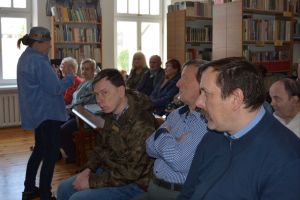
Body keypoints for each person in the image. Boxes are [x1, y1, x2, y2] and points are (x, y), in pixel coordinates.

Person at [177, 57, 300, 200]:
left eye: (206, 93)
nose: (199, 102)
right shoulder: (213, 135)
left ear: (236, 98)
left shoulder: (287, 159)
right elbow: (187, 193)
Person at [57, 68, 156, 200]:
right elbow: (101, 147)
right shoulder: (111, 112)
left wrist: (91, 182)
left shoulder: (142, 122)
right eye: (97, 94)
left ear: (121, 91)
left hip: (134, 183)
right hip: (111, 171)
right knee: (63, 189)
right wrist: (88, 169)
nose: (99, 100)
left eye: (104, 93)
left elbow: (132, 172)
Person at [132, 60, 208, 200]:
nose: (178, 83)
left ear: (202, 85)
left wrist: (163, 133)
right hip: (153, 186)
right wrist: (172, 142)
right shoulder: (177, 113)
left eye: (184, 78)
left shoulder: (205, 122)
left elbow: (178, 161)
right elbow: (149, 147)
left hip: (177, 194)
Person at [17, 26, 75, 200]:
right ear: (39, 43)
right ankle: (45, 194)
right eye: (48, 42)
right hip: (48, 114)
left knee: (39, 151)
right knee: (49, 156)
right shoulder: (38, 61)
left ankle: (29, 190)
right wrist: (70, 78)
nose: (50, 46)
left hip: (38, 113)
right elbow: (56, 88)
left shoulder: (27, 56)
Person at [60, 58, 97, 163]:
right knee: (54, 125)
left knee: (62, 131)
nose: (84, 71)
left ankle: (74, 156)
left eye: (87, 69)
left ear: (93, 70)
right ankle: (59, 153)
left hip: (84, 118)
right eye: (83, 69)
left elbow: (82, 103)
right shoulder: (83, 82)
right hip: (75, 114)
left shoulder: (93, 84)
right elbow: (74, 101)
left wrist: (67, 108)